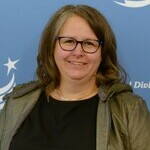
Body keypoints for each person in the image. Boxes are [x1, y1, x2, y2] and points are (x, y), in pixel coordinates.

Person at [0, 4, 150, 150]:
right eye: (69, 41)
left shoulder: (130, 109)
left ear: (103, 53)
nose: (78, 52)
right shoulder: (16, 104)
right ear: (51, 47)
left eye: (89, 44)